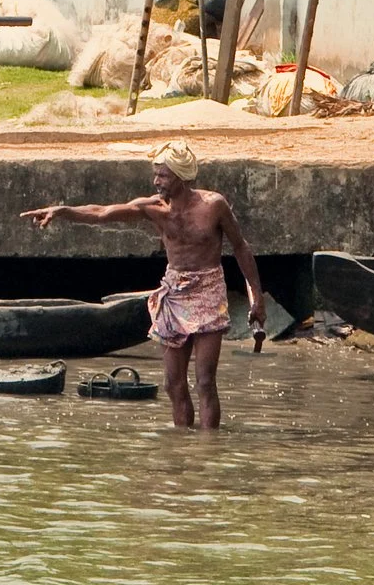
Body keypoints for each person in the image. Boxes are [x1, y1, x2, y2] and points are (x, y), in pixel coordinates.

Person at [21, 140, 264, 430]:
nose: (156, 181)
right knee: (173, 384)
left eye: (162, 175)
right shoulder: (153, 208)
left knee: (204, 381)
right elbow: (102, 213)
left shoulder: (213, 206)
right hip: (173, 292)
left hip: (208, 291)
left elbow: (240, 247)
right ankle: (182, 445)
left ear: (180, 176)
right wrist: (62, 211)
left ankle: (208, 449)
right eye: (155, 175)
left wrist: (256, 298)